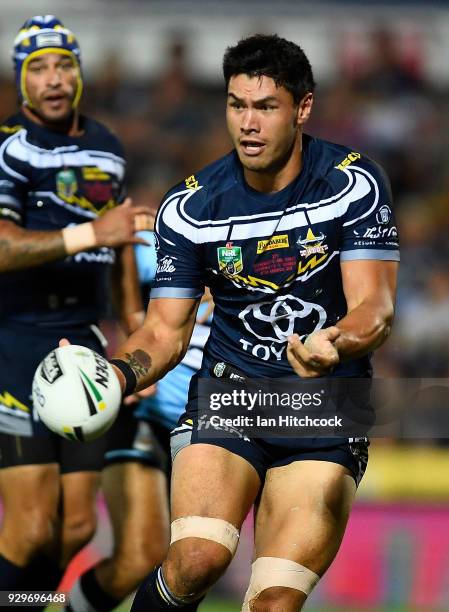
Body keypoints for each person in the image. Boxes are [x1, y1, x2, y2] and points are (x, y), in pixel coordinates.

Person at [75, 33, 398, 611]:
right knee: (196, 560)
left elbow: (375, 307)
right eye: (236, 104)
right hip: (230, 398)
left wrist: (337, 343)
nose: (248, 123)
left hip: (324, 406)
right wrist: (118, 376)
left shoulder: (353, 184)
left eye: (266, 106)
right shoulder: (192, 207)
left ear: (302, 107)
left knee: (273, 603)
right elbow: (165, 330)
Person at [0, 15, 151, 596]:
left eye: (64, 64)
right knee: (31, 525)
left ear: (80, 73)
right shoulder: (9, 146)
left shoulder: (107, 148)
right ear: (21, 80)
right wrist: (92, 234)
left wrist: (135, 333)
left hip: (85, 344)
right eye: (38, 68)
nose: (54, 79)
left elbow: (120, 248)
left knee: (80, 526)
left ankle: (23, 604)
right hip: (17, 340)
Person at [67, 231, 214, 612]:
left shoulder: (270, 265)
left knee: (192, 565)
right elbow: (126, 264)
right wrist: (134, 355)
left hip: (211, 433)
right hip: (145, 416)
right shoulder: (181, 236)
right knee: (138, 556)